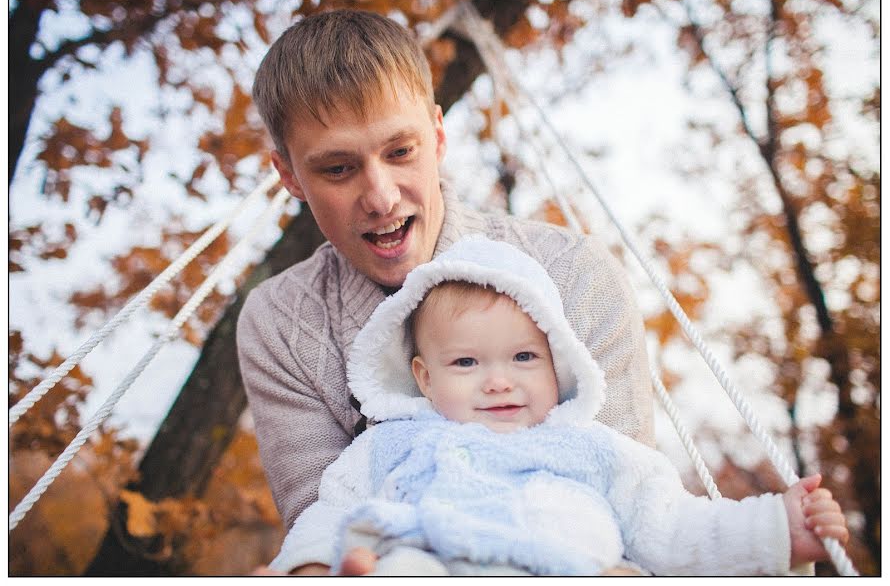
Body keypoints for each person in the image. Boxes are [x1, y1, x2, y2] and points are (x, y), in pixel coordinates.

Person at [238, 9, 653, 575]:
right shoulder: (281, 320)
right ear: (289, 178)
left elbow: (631, 499)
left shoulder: (573, 272)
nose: (381, 197)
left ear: (437, 136)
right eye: (338, 169)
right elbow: (324, 521)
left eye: (401, 151)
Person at [267, 236, 849, 576]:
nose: (498, 383)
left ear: (558, 364)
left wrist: (778, 527)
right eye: (466, 364)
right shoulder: (392, 444)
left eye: (523, 358)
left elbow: (674, 526)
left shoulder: (593, 450)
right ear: (422, 377)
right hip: (432, 558)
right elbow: (329, 510)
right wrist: (309, 566)